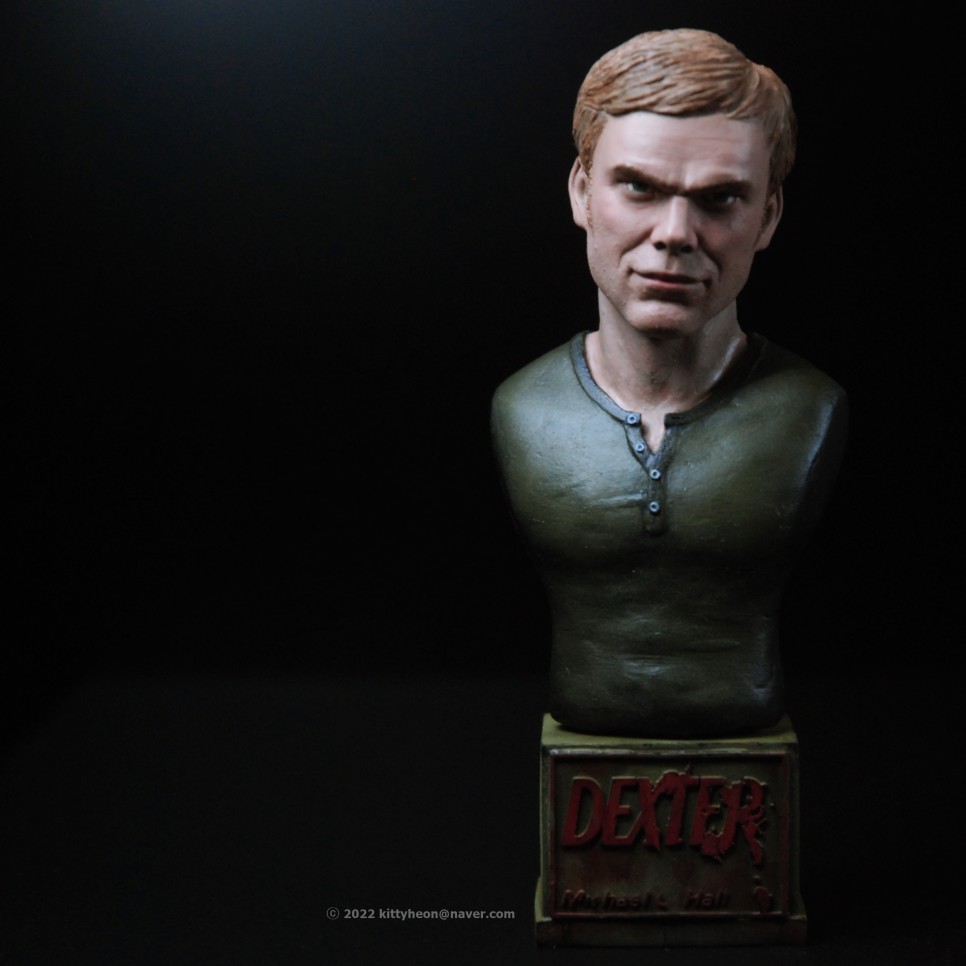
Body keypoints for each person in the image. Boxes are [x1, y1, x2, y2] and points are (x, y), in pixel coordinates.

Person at [491, 28, 847, 738]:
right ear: (582, 192)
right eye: (640, 188)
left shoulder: (811, 406)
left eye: (721, 198)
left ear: (768, 216)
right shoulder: (522, 407)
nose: (676, 232)